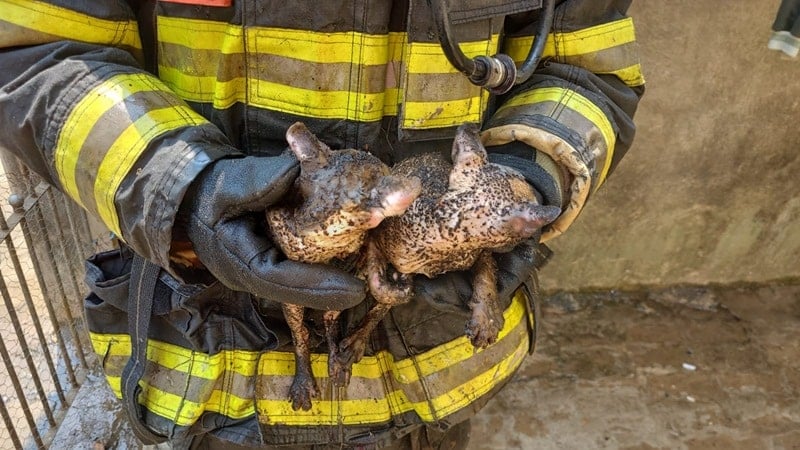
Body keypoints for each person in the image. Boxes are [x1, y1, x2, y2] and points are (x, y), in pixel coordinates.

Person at [0, 1, 644, 448]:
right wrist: (178, 187)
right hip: (210, 377)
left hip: (438, 377)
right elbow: (35, 52)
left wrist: (516, 184)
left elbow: (587, 68)